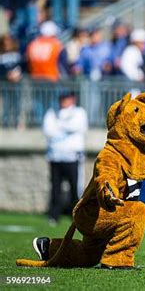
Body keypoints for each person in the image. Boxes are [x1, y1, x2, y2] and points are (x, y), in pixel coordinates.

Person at [42, 92, 88, 226]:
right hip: (55, 156)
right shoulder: (52, 112)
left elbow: (77, 127)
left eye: (66, 98)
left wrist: (59, 126)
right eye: (61, 98)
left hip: (72, 156)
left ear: (72, 99)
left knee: (75, 188)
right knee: (55, 188)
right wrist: (64, 127)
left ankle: (76, 216)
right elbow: (48, 131)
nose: (63, 101)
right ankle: (54, 215)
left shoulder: (79, 112)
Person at [0, 34, 22, 127]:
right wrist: (7, 75)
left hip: (16, 83)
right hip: (6, 84)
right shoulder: (1, 56)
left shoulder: (17, 55)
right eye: (5, 43)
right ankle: (6, 123)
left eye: (9, 42)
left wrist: (17, 74)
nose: (7, 44)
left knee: (17, 104)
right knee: (7, 105)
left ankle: (16, 123)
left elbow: (22, 67)